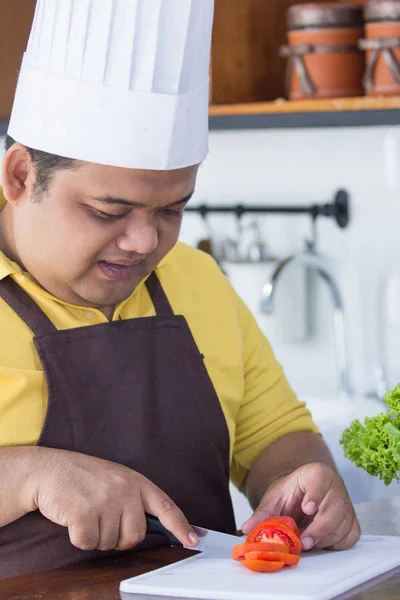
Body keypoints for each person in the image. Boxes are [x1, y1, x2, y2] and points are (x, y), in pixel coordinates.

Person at [0, 0, 360, 578]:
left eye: (172, 209)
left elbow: (276, 434)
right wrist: (27, 475)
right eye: (106, 210)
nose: (144, 241)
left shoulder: (197, 279)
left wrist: (303, 484)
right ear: (21, 176)